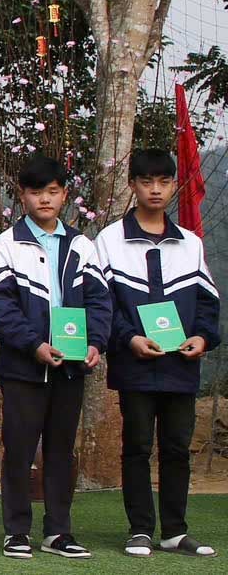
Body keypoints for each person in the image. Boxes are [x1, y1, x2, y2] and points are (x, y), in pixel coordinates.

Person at [0, 155, 112, 559]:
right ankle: (16, 531)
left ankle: (58, 532)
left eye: (52, 191)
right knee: (19, 450)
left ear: (65, 195)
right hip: (23, 368)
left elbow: (100, 300)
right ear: (22, 195)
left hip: (71, 367)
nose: (44, 199)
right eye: (36, 191)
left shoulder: (82, 245)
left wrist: (95, 343)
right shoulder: (6, 244)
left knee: (60, 450)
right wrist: (34, 344)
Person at [95, 149, 219, 558]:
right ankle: (140, 530)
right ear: (132, 184)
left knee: (177, 448)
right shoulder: (109, 240)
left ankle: (175, 532)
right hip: (135, 364)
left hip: (180, 366)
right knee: (137, 446)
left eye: (164, 182)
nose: (155, 190)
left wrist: (202, 338)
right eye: (146, 181)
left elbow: (208, 304)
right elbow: (102, 303)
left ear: (174, 186)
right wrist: (129, 338)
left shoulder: (190, 244)